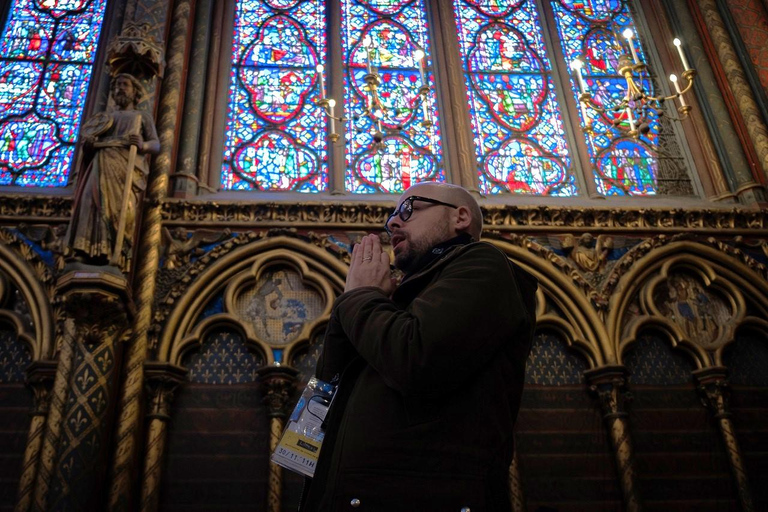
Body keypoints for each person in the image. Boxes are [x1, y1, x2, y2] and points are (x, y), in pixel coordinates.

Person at [300, 182, 538, 511]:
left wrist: (360, 298)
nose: (392, 223)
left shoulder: (484, 265)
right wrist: (347, 311)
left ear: (461, 217)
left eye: (409, 209)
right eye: (392, 217)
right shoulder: (386, 302)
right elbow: (308, 430)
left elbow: (417, 359)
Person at [66, 73, 160, 270]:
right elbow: (88, 144)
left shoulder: (141, 117)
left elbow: (156, 145)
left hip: (124, 169)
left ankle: (112, 253)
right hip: (101, 164)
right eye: (117, 85)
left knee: (121, 210)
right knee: (91, 203)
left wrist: (142, 145)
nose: (120, 88)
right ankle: (84, 250)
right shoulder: (105, 119)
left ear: (135, 92)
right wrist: (90, 145)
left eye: (125, 84)